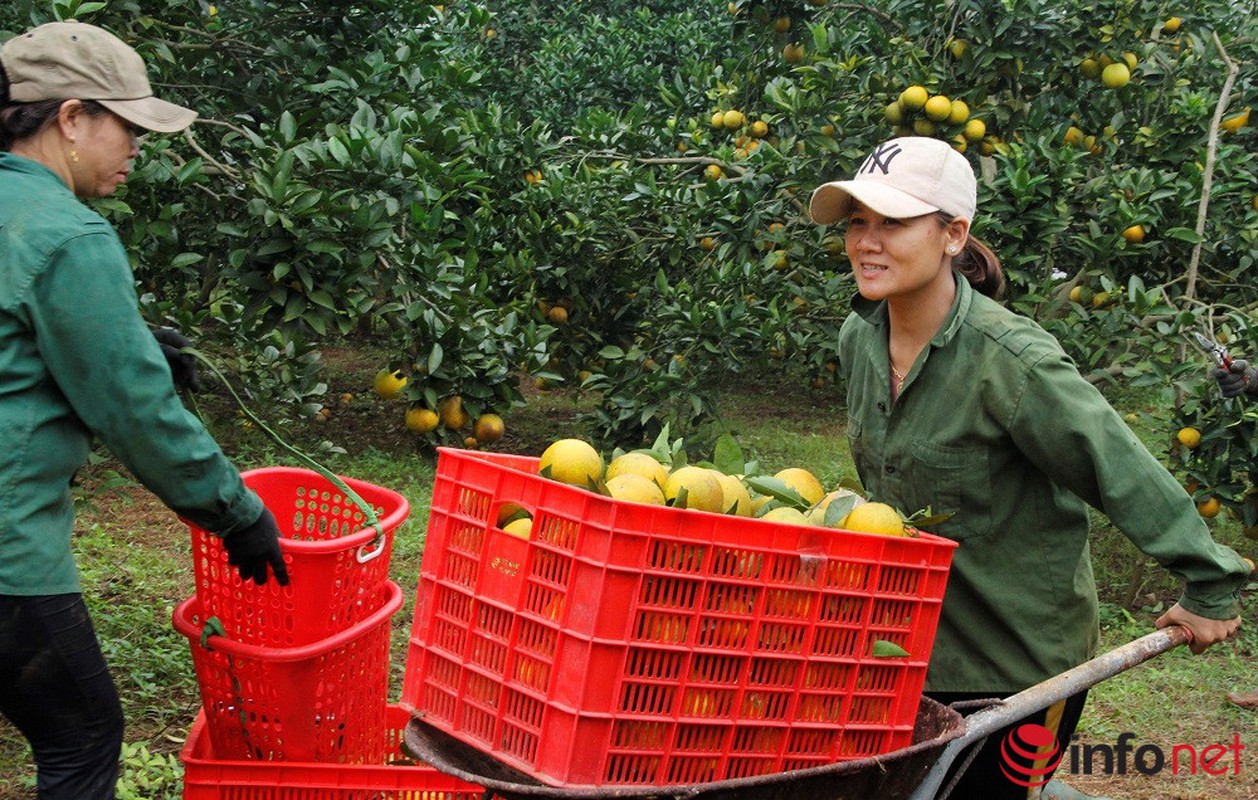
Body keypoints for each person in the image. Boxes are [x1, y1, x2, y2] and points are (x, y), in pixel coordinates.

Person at [809, 136, 1249, 800]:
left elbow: (1115, 463)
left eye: (893, 222)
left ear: (953, 234)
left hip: (1017, 667)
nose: (866, 241)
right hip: (909, 647)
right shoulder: (860, 338)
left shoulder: (1007, 358)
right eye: (856, 222)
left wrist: (1209, 582)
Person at [0, 21, 289, 799]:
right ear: (70, 117)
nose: (137, 148)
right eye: (128, 126)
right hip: (7, 556)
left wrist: (128, 339)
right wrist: (235, 512)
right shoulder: (66, 235)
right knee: (84, 737)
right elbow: (137, 416)